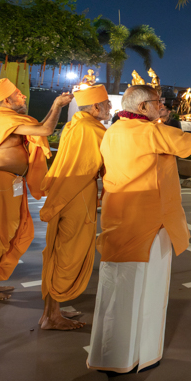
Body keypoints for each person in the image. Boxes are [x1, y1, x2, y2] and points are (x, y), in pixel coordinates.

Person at [87, 84, 191, 374]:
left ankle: (110, 357)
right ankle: (141, 355)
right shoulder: (150, 132)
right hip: (150, 221)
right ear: (141, 108)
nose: (162, 105)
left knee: (116, 288)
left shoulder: (114, 131)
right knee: (148, 290)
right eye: (157, 102)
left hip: (117, 219)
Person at [0, 78, 71, 302]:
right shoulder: (2, 120)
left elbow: (38, 129)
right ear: (5, 100)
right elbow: (45, 130)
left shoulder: (6, 119)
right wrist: (57, 105)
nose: (24, 96)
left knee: (5, 232)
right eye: (18, 94)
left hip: (7, 183)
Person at [38, 84, 110, 331]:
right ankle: (52, 316)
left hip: (66, 192)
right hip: (78, 194)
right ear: (97, 107)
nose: (111, 107)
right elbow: (111, 161)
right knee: (69, 252)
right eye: (108, 104)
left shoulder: (75, 125)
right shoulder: (92, 129)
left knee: (58, 250)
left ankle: (52, 309)